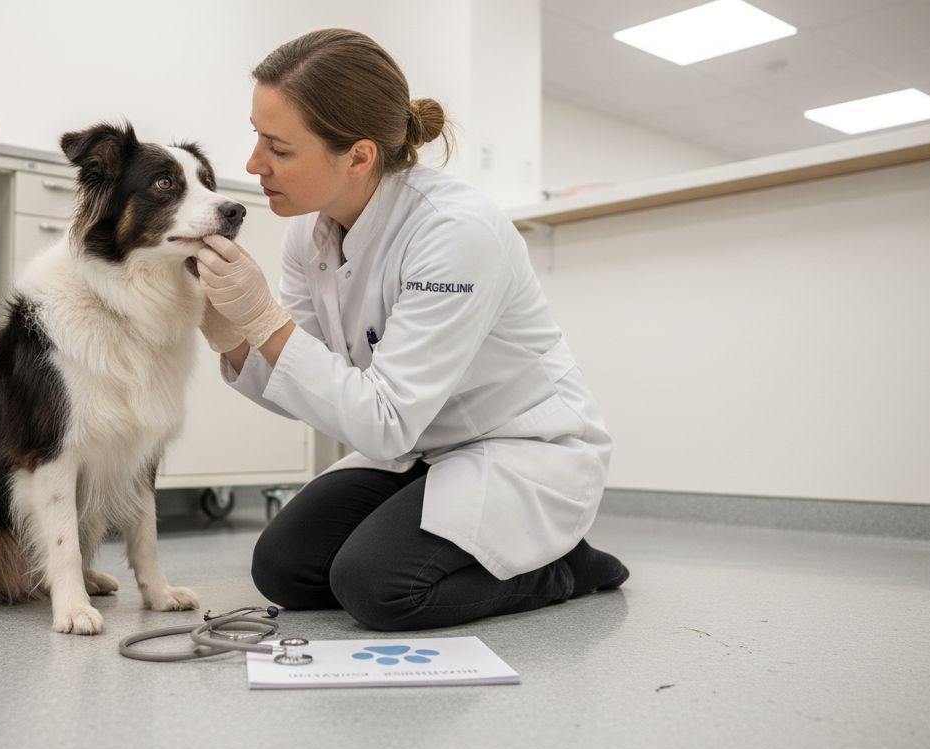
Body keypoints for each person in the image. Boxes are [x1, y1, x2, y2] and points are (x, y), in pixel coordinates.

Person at [193, 28, 628, 632]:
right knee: (284, 569)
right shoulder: (310, 233)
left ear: (359, 156)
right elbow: (317, 385)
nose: (252, 163)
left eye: (279, 147)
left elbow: (383, 418)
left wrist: (265, 320)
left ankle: (567, 566)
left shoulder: (454, 233)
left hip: (517, 448)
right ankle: (439, 533)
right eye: (256, 135)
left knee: (376, 588)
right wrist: (233, 334)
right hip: (418, 448)